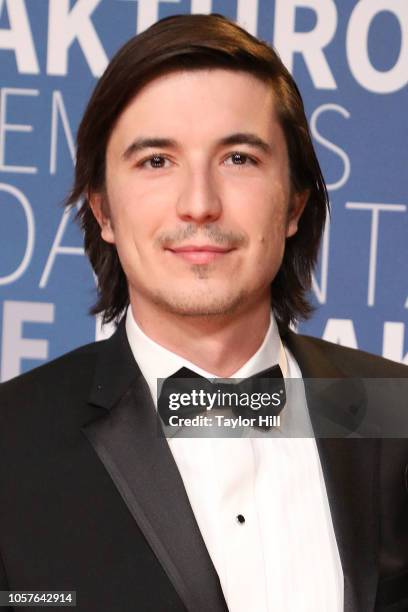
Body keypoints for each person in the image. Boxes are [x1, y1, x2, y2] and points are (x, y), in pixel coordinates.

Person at [0, 13, 407, 612]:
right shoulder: (11, 443)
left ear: (294, 204)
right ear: (104, 211)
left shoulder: (395, 413)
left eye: (239, 158)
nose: (199, 204)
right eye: (156, 161)